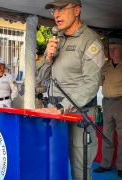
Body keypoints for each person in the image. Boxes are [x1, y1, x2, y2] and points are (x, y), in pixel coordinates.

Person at [35, 0, 105, 179]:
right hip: (57, 116)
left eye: (61, 9)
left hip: (79, 115)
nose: (56, 14)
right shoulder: (58, 40)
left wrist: (61, 108)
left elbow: (91, 84)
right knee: (55, 167)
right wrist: (48, 56)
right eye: (54, 11)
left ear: (77, 10)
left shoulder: (90, 41)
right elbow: (42, 77)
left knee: (79, 171)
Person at [93, 38, 122, 178]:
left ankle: (121, 166)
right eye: (110, 48)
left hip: (120, 103)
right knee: (107, 135)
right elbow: (99, 82)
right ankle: (105, 164)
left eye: (115, 48)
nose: (112, 50)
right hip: (107, 103)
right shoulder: (106, 66)